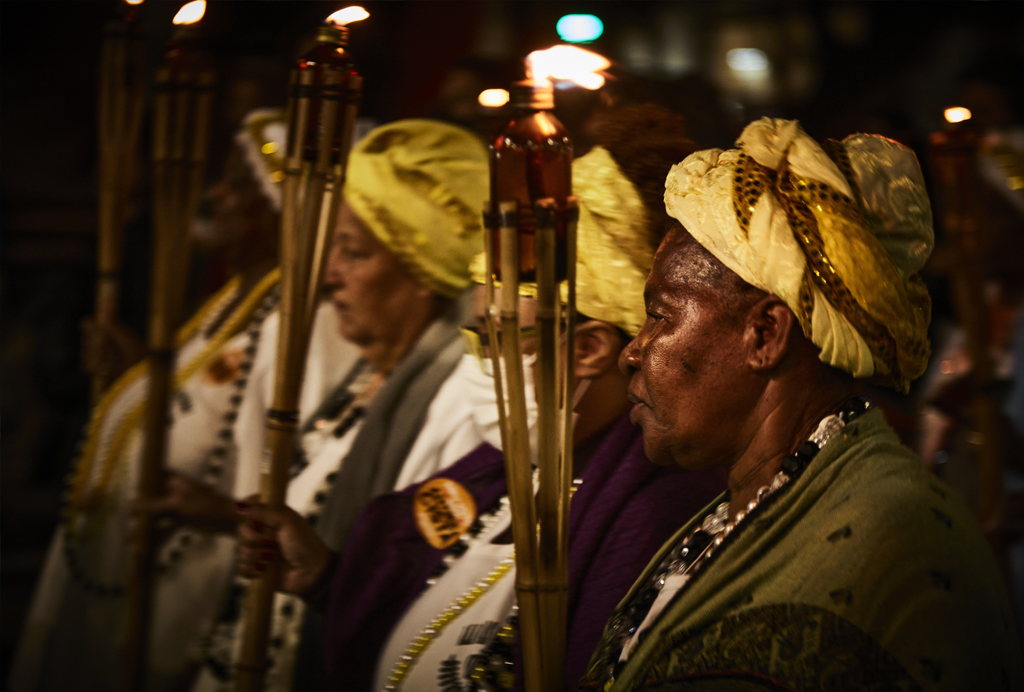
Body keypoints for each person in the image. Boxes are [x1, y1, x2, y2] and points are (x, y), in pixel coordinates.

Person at [235, 106, 728, 692]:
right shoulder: (502, 475)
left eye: (495, 337)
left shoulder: (653, 514)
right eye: (475, 332)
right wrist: (325, 579)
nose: (476, 361)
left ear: (589, 351)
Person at [575, 118, 1024, 691]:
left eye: (660, 316)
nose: (632, 352)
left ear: (765, 335)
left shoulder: (881, 535)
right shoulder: (754, 503)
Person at [9, 108, 357, 692]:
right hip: (130, 570)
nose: (215, 196)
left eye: (236, 184)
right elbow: (206, 400)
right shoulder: (232, 295)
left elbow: (299, 463)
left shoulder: (307, 320)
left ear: (277, 207)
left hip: (194, 585)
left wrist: (224, 514)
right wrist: (136, 377)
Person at [191, 118, 493, 692]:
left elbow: (428, 589)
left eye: (351, 252)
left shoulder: (458, 405)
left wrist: (331, 578)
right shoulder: (364, 378)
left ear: (422, 267)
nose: (328, 277)